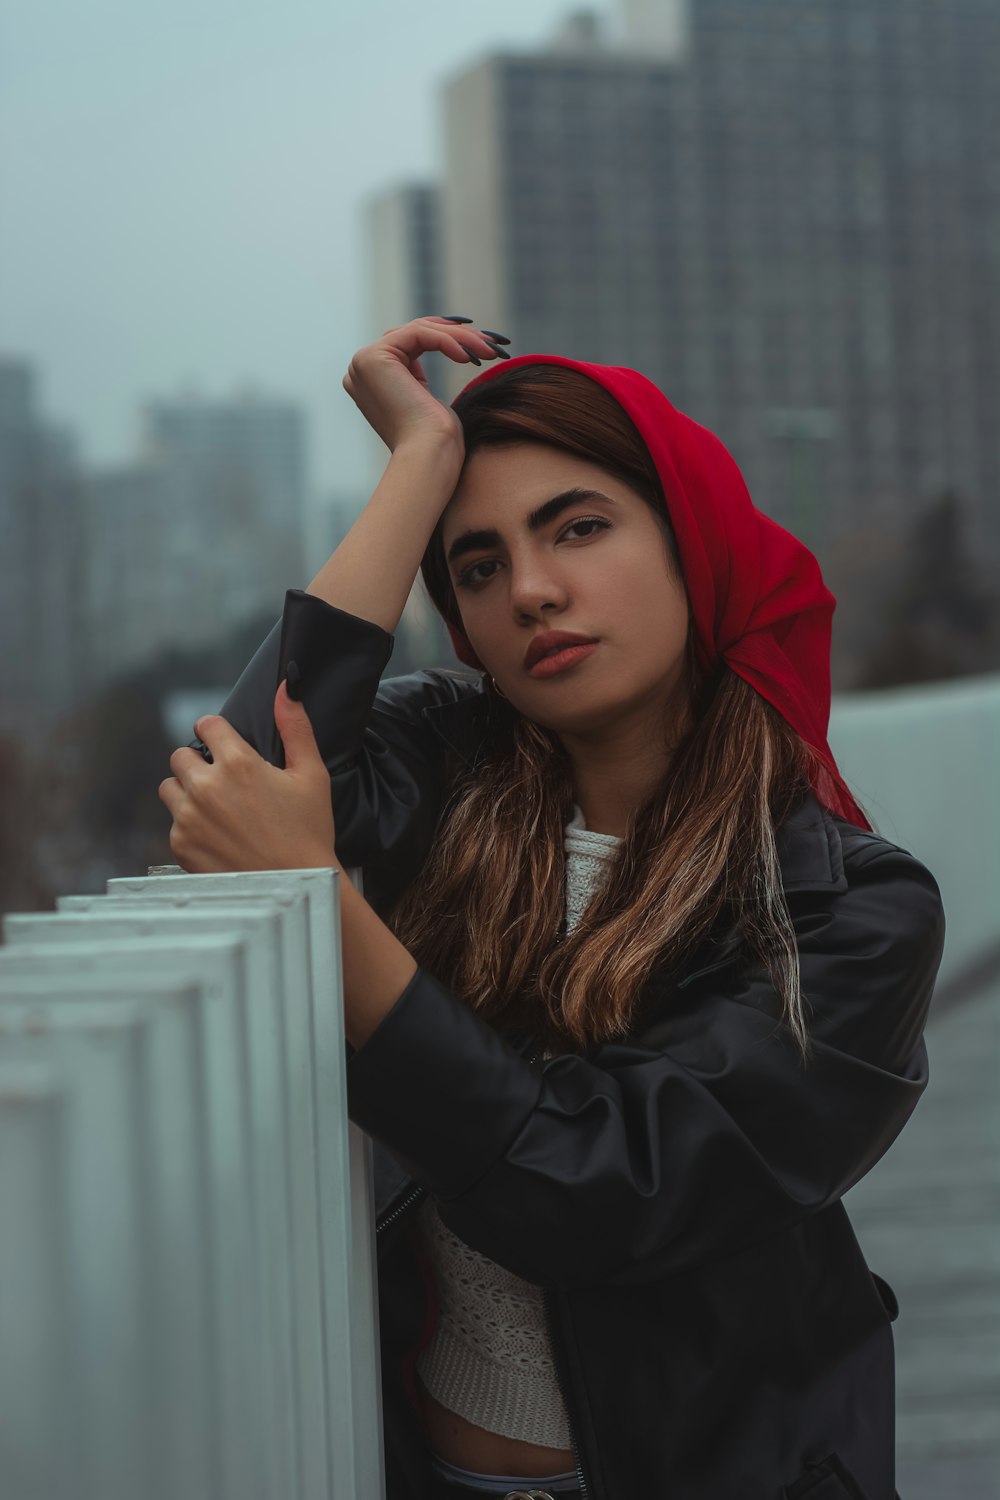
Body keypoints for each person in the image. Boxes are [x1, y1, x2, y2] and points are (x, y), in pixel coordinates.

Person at [159, 317, 946, 1500]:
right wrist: (416, 463)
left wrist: (331, 909)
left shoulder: (851, 912)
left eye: (578, 527)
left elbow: (594, 1192)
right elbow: (241, 773)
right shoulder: (442, 763)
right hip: (420, 1468)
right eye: (474, 565)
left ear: (690, 541)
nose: (531, 590)